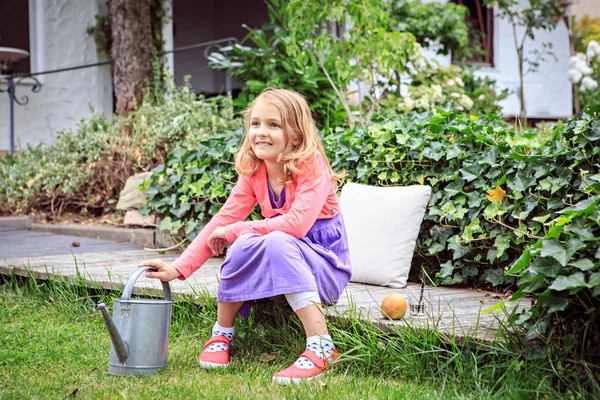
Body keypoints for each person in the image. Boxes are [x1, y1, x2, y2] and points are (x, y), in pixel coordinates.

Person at [138, 88, 352, 384]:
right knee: (243, 244)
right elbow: (223, 220)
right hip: (285, 265)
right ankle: (221, 333)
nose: (261, 132)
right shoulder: (255, 170)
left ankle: (322, 346)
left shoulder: (310, 164)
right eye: (255, 123)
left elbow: (296, 226)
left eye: (273, 125)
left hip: (325, 271)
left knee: (267, 238)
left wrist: (237, 231)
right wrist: (179, 267)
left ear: (296, 133)